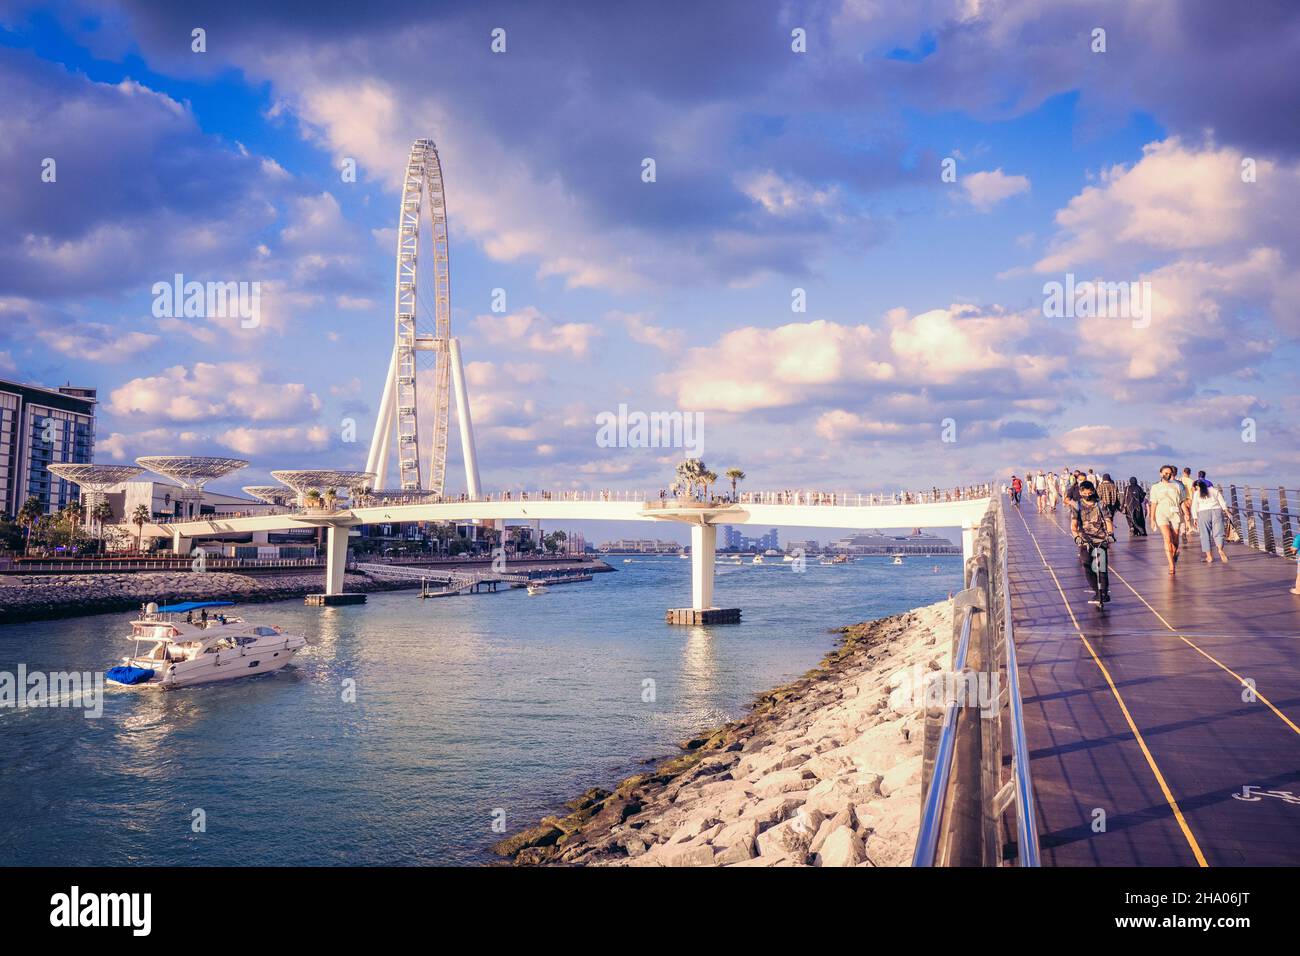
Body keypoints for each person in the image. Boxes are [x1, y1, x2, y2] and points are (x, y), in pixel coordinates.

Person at [1071, 480, 1114, 604]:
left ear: (1093, 491)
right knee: (1087, 565)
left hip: (1101, 539)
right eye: (1084, 493)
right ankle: (1097, 590)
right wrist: (1076, 537)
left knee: (1101, 567)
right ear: (1080, 492)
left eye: (1089, 493)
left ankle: (1104, 593)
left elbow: (1108, 520)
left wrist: (1110, 534)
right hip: (1085, 540)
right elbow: (1073, 526)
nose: (1087, 495)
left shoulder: (1100, 504)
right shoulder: (1077, 506)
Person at [1149, 465, 1187, 575]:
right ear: (1160, 474)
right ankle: (1171, 564)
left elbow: (1181, 501)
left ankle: (1174, 553)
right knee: (1167, 538)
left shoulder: (1177, 486)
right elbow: (1154, 504)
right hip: (1162, 513)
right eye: (1165, 473)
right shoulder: (1155, 487)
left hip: (1175, 513)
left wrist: (1187, 514)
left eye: (1169, 473)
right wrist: (1152, 519)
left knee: (1175, 539)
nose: (1168, 475)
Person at [1191, 478, 1229, 564]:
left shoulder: (1197, 493)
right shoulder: (1215, 490)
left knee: (1205, 535)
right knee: (1218, 532)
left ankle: (1209, 557)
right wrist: (1226, 511)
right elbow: (1222, 502)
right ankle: (1220, 550)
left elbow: (1194, 506)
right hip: (1216, 511)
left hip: (1203, 513)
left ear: (1197, 486)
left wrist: (1195, 518)